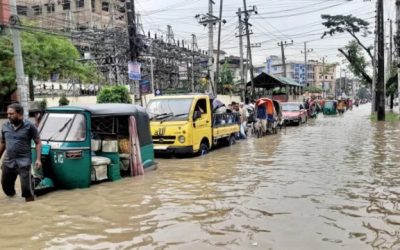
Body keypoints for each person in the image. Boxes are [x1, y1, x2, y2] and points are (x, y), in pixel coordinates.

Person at [0, 103, 42, 202]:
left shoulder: (30, 126)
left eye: (11, 114)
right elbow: (3, 142)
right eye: (8, 114)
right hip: (8, 161)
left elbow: (38, 143)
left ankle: (31, 209)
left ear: (20, 114)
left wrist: (38, 159)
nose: (8, 116)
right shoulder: (5, 126)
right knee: (7, 189)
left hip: (24, 162)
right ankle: (14, 202)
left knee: (27, 191)